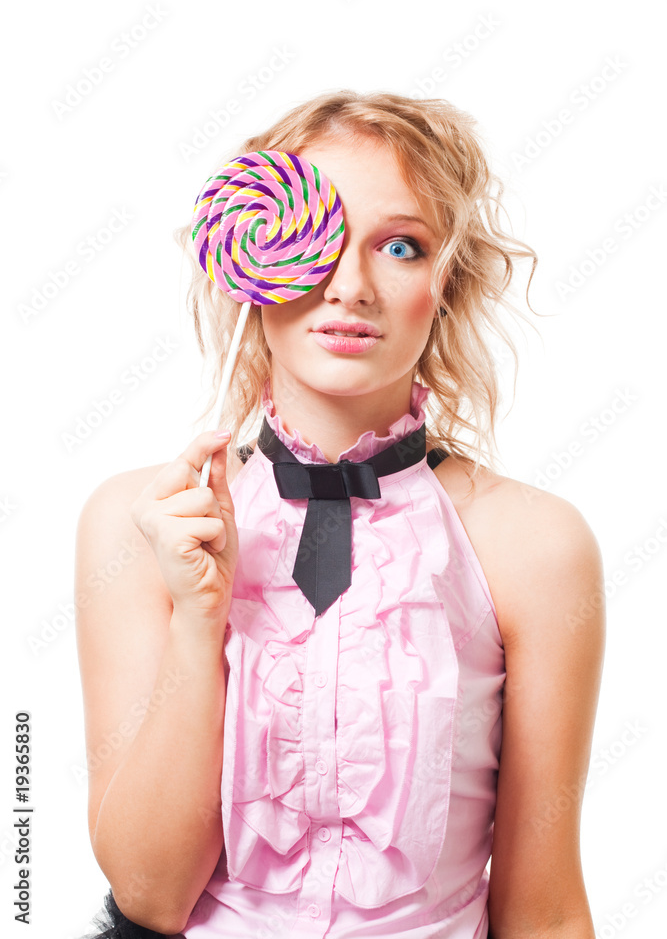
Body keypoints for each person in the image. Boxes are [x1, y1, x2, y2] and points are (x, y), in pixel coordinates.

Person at [75, 89, 605, 939]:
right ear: (247, 256)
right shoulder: (140, 524)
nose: (350, 285)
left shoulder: (534, 547)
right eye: (314, 239)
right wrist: (196, 621)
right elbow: (149, 894)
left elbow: (542, 911)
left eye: (401, 246)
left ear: (446, 284)